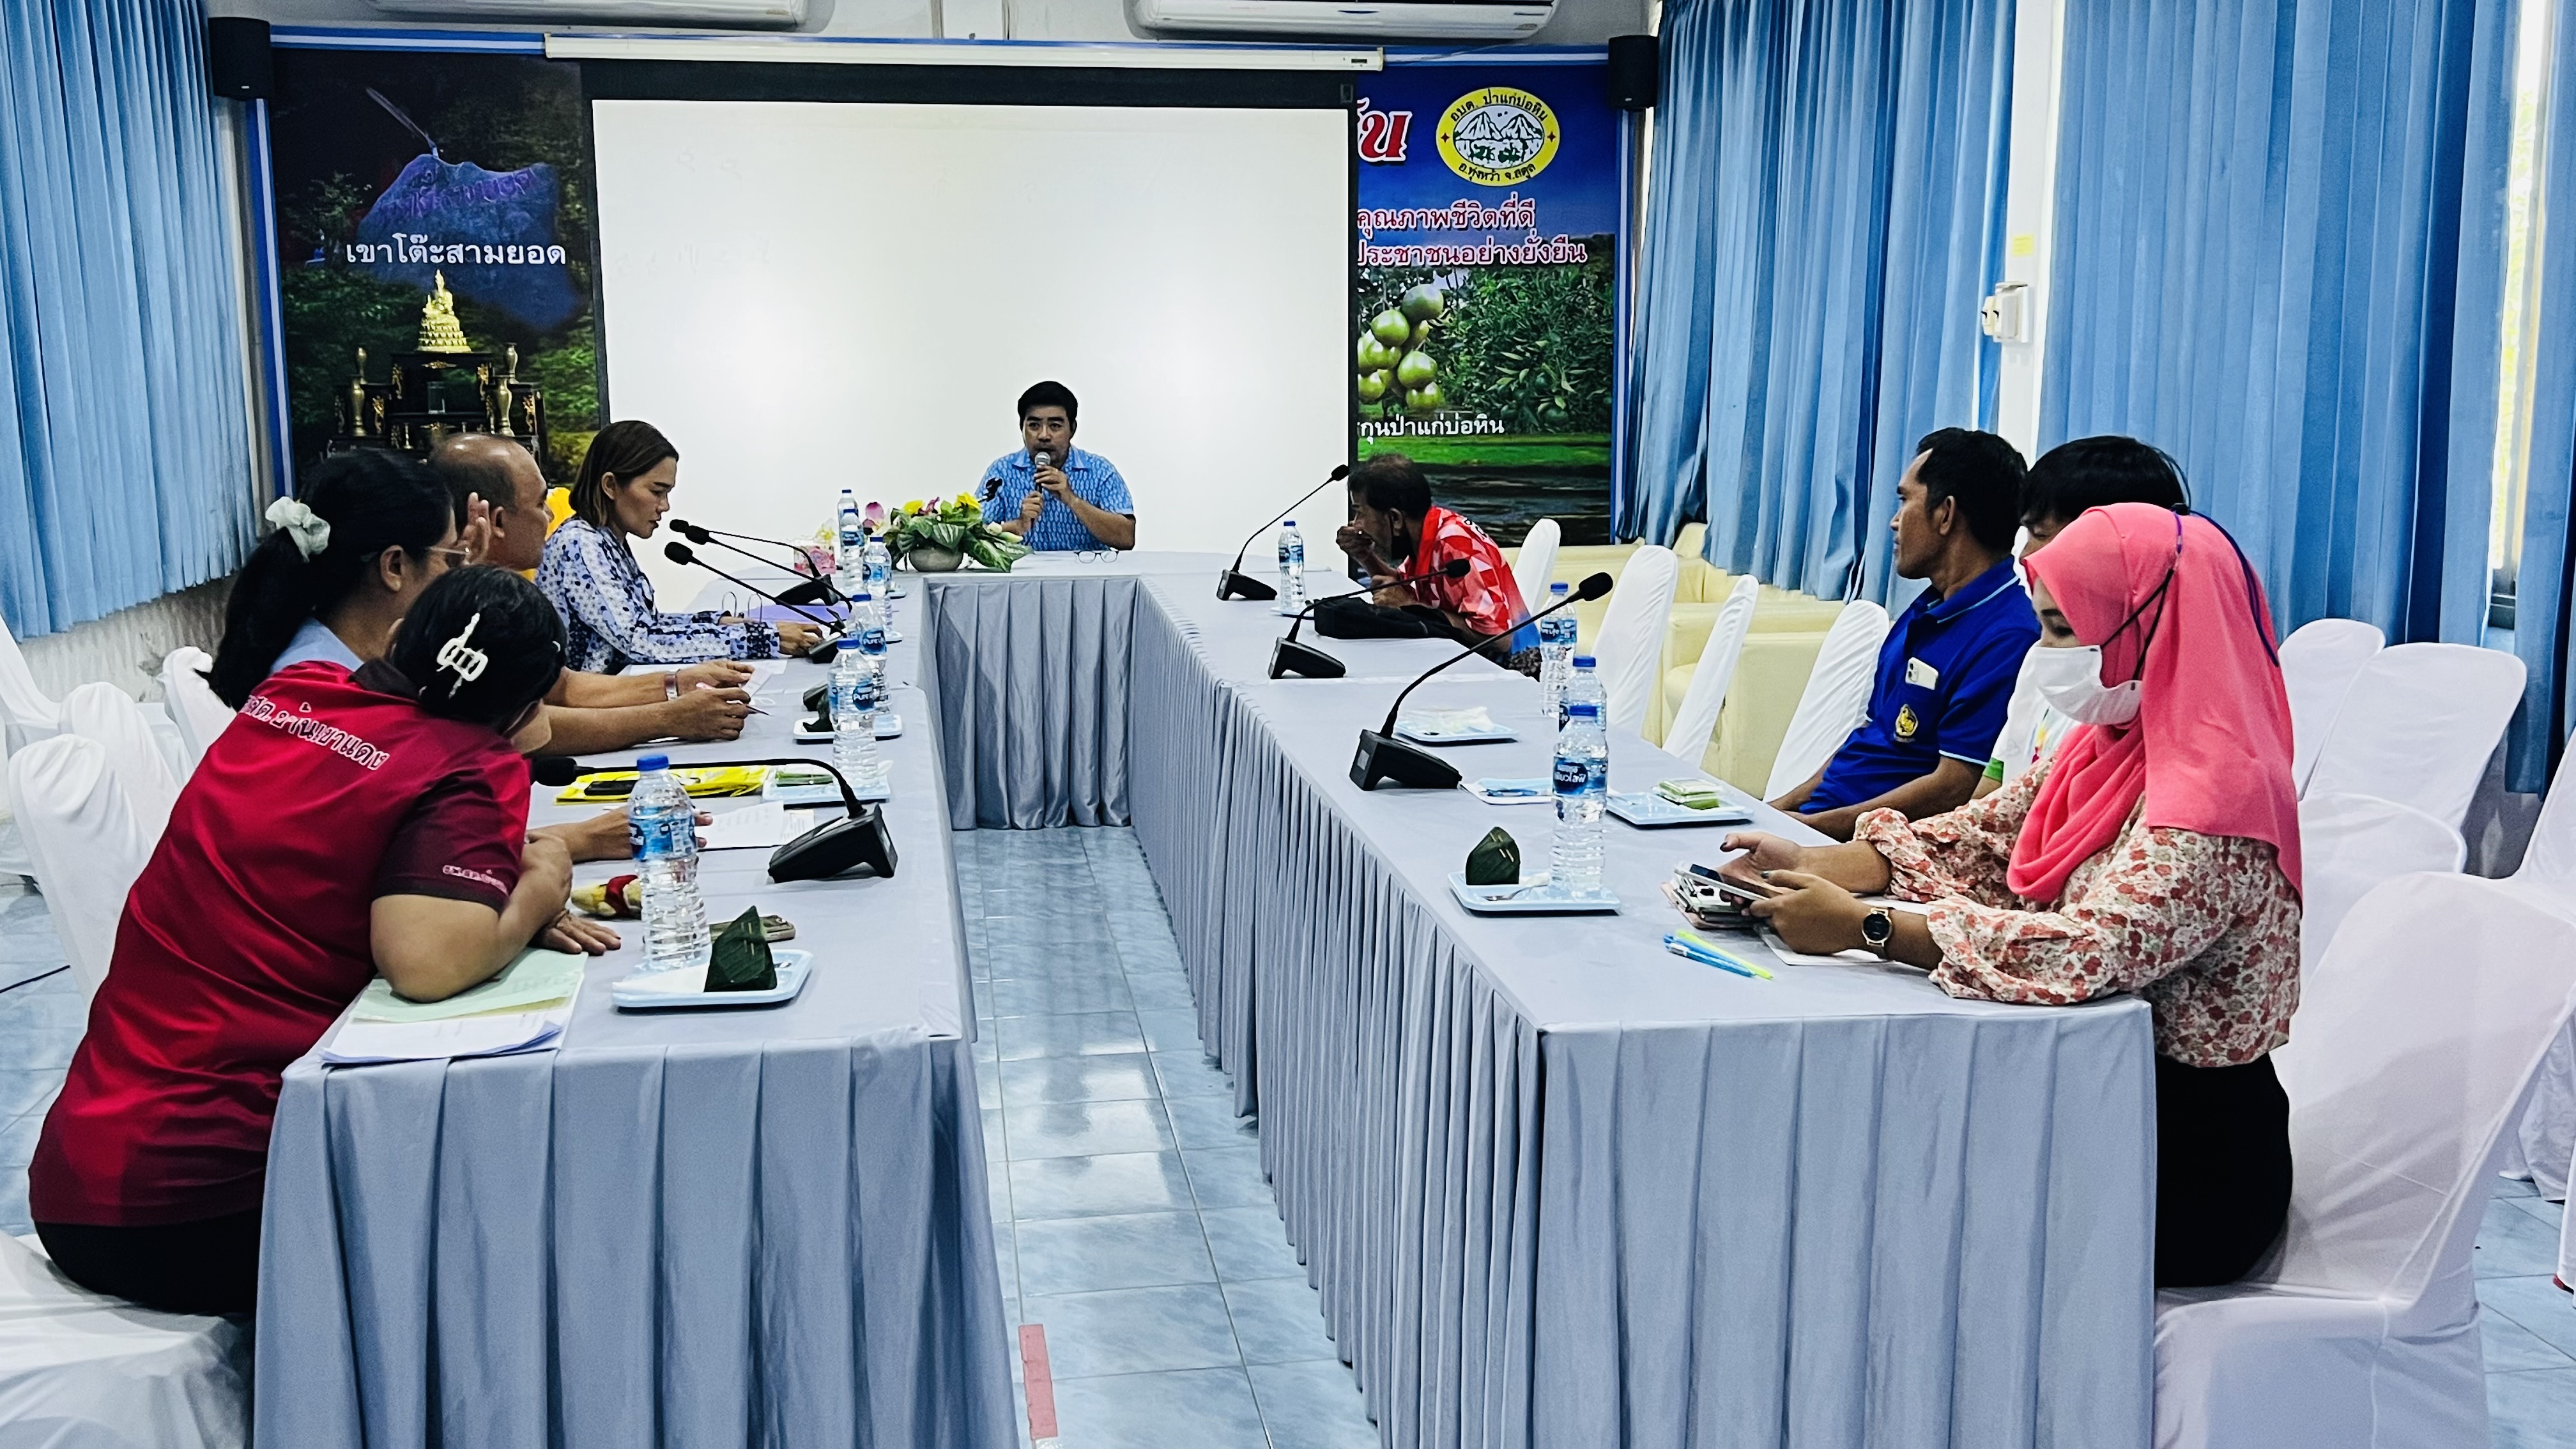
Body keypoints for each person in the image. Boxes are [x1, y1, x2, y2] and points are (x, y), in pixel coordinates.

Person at [1726, 503, 2301, 1289]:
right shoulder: (2117, 745)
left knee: (1899, 1213)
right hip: (2086, 1099)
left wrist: (1870, 927)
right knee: (1866, 1169)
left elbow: (2086, 949)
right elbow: (1992, 836)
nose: (2047, 652)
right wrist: (1821, 864)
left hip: (2182, 1158)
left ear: (2151, 624)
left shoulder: (2218, 799)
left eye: (2066, 629)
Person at [29, 567, 620, 1316]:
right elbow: (427, 963)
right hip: (207, 1205)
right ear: (527, 709)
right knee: (535, 1231)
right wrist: (543, 878)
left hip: (78, 1176)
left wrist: (489, 896)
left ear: (400, 637)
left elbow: (344, 843)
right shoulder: (471, 765)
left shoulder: (291, 697)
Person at [1769, 429, 2038, 841]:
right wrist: (1776, 810)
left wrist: (1813, 831)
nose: (1895, 522)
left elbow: (1954, 787)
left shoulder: (2008, 635)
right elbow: (1872, 738)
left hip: (1871, 846)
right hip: (1821, 825)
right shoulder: (1925, 608)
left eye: (1904, 500)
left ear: (1945, 514)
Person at [431, 433, 759, 754]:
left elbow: (562, 687)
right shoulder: (451, 610)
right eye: (541, 503)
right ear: (498, 521)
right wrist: (669, 717)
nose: (549, 517)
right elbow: (522, 729)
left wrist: (677, 684)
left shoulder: (493, 590)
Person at [1976, 435, 2193, 797]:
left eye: (2041, 535)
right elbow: (1992, 799)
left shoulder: (2148, 702)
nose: (2026, 556)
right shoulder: (2046, 657)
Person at [537, 421, 827, 673]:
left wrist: (725, 623)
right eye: (656, 492)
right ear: (611, 486)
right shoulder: (580, 544)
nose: (664, 506)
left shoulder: (606, 540)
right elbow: (642, 641)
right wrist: (763, 638)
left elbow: (647, 624)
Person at [1334, 452, 1535, 662]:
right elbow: (1401, 591)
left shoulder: (1454, 545)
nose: (1357, 524)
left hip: (1514, 668)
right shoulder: (1427, 530)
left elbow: (1499, 637)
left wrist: (1410, 605)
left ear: (1395, 518)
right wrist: (1366, 556)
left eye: (1361, 513)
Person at [976, 381, 1135, 551]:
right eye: (1034, 425)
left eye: (1055, 426)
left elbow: (1126, 539)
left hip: (1084, 574)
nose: (1044, 435)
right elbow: (973, 536)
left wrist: (1072, 499)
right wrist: (1018, 526)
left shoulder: (1100, 471)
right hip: (1024, 575)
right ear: (1022, 428)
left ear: (1072, 429)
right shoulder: (1002, 472)